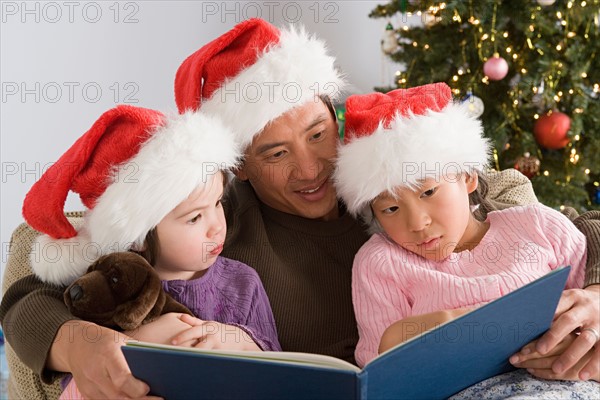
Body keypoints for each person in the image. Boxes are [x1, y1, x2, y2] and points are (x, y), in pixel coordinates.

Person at [1, 18, 598, 399]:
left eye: (318, 134)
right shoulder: (212, 223)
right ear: (239, 164)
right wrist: (74, 342)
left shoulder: (396, 179)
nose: (312, 169)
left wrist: (595, 296)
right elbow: (31, 291)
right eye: (276, 153)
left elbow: (567, 232)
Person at [333, 83, 600, 392]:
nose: (418, 222)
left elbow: (591, 307)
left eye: (429, 192)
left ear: (469, 176)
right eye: (391, 208)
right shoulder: (380, 263)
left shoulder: (538, 225)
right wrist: (451, 322)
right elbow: (379, 368)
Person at [20, 104, 281, 399]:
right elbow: (81, 382)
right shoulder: (110, 285)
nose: (216, 226)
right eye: (194, 217)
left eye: (218, 203)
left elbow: (279, 368)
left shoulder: (242, 283)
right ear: (140, 237)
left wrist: (239, 342)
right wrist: (135, 343)